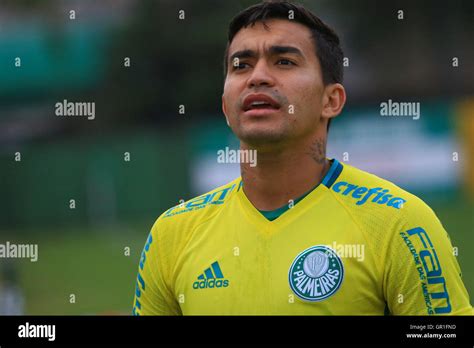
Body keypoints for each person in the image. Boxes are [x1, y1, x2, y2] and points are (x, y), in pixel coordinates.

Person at [133, 0, 472, 315]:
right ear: (225, 106)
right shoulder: (172, 233)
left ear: (332, 101)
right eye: (241, 65)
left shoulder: (399, 224)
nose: (257, 77)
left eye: (284, 61)